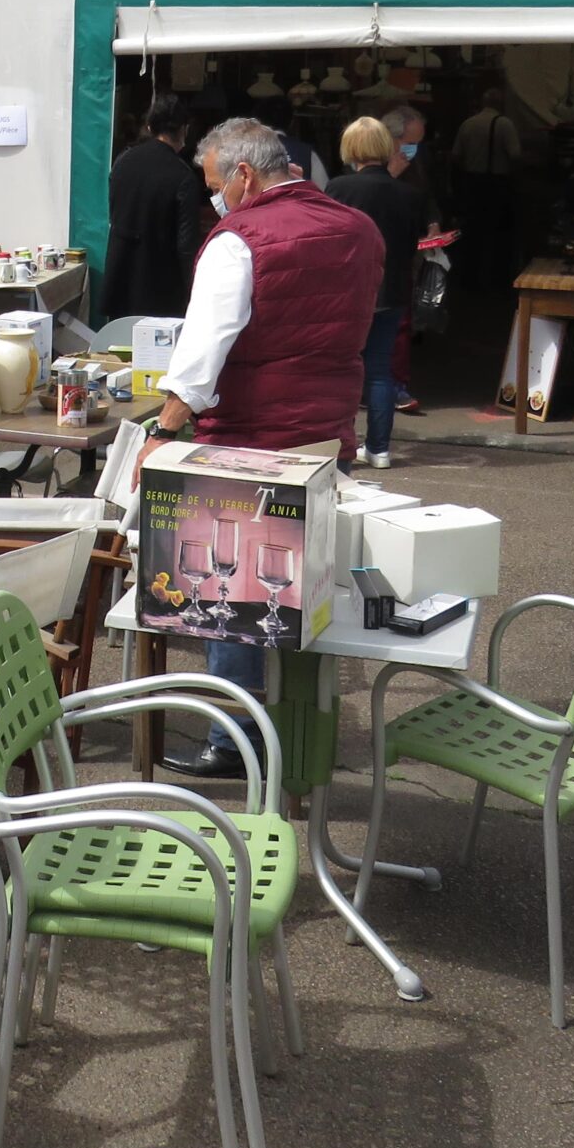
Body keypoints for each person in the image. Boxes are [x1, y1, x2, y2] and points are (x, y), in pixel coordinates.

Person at [143, 118, 380, 777]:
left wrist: (165, 427)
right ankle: (306, 729)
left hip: (251, 437)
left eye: (217, 184)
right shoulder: (357, 230)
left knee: (233, 591)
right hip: (324, 428)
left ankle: (234, 736)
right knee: (306, 585)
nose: (214, 198)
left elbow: (204, 347)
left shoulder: (238, 240)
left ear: (244, 176)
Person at [326, 116, 424, 470]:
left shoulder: (338, 188)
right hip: (393, 288)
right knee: (381, 370)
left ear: (351, 149)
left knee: (344, 367)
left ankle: (344, 447)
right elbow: (414, 244)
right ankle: (379, 449)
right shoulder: (410, 195)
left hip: (348, 291)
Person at [101, 90, 214, 321]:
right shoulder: (183, 176)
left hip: (120, 275)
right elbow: (186, 244)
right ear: (185, 130)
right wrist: (193, 289)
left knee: (117, 349)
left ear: (150, 128)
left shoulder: (123, 161)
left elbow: (114, 213)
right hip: (160, 286)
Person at [382, 104, 438, 415]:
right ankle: (387, 386)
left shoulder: (417, 162)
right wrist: (391, 174)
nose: (414, 148)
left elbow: (427, 196)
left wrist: (432, 223)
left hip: (411, 249)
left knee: (402, 319)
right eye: (410, 141)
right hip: (381, 254)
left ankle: (396, 383)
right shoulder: (368, 160)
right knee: (387, 322)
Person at [453, 87, 524, 289]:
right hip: (497, 185)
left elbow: (456, 156)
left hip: (472, 184)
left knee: (472, 235)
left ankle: (469, 280)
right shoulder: (504, 124)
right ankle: (498, 281)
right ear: (500, 104)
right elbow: (516, 155)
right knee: (500, 235)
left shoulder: (468, 124)